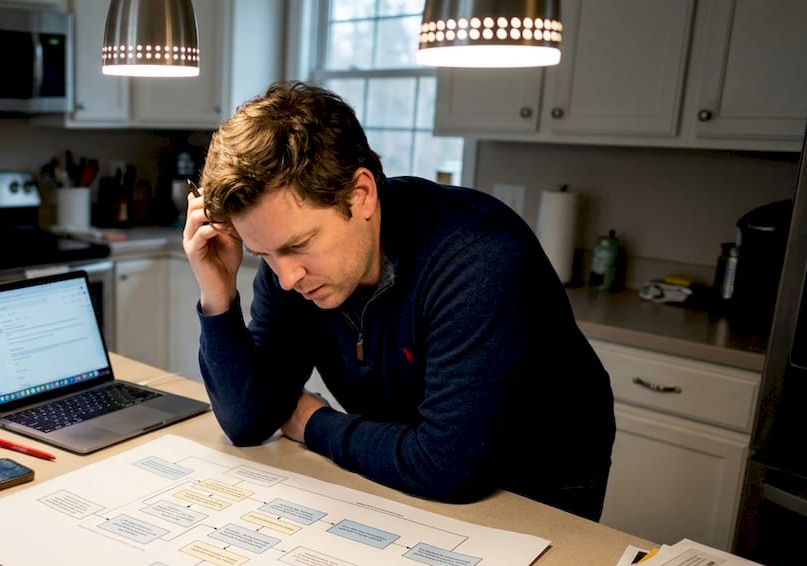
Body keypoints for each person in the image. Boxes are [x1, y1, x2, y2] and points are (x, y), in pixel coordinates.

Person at [182, 80, 615, 521]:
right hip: (410, 471)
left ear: (361, 195)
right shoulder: (289, 264)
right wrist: (218, 293)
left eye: (299, 245)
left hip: (537, 482)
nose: (286, 277)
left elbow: (447, 466)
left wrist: (312, 423)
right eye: (264, 254)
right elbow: (249, 420)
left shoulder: (481, 261)